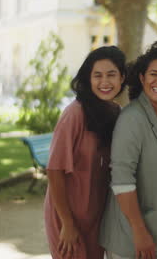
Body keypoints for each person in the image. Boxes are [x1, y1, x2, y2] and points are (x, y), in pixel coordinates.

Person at [99, 42, 157, 259]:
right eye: (154, 74)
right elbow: (121, 180)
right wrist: (139, 231)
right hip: (133, 240)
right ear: (142, 78)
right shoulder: (132, 118)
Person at [44, 46, 126, 259]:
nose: (104, 82)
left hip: (97, 215)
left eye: (111, 75)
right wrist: (68, 223)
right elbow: (54, 170)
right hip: (68, 216)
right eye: (97, 75)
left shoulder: (116, 112)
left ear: (122, 77)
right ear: (88, 79)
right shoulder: (75, 113)